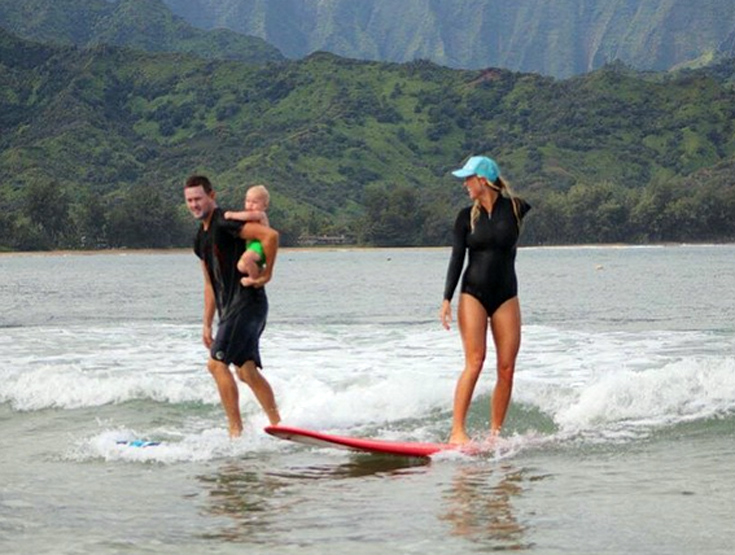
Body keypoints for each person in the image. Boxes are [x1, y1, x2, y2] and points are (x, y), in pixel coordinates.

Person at [439, 156, 531, 444]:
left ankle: (495, 434)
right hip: (473, 294)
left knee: (506, 367)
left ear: (483, 180)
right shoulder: (465, 217)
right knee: (475, 361)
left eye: (468, 178)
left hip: (506, 295)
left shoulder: (516, 208)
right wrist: (446, 299)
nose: (464, 184)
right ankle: (457, 431)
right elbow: (457, 258)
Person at [183, 175, 281, 438]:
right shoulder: (199, 240)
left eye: (198, 199)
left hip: (247, 303)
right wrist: (206, 322)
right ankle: (280, 425)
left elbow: (270, 236)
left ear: (211, 196)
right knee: (246, 371)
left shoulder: (226, 222)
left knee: (216, 365)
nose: (194, 204)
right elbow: (209, 283)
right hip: (234, 310)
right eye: (189, 200)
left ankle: (235, 432)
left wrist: (266, 275)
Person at [224, 184, 271, 287]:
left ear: (265, 205)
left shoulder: (260, 215)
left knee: (247, 258)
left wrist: (232, 215)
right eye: (248, 201)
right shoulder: (250, 217)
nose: (250, 205)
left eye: (254, 202)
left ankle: (254, 279)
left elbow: (248, 215)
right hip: (251, 246)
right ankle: (258, 269)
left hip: (261, 246)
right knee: (241, 266)